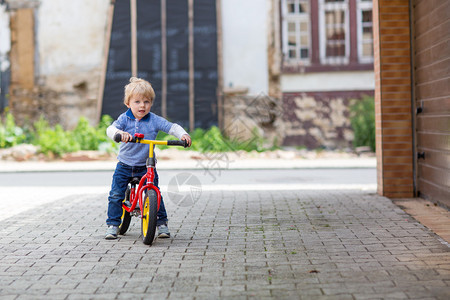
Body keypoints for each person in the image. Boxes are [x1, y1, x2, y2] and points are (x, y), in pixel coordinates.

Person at [105, 77, 191, 240]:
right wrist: (119, 134)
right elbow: (111, 128)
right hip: (125, 164)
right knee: (116, 194)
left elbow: (171, 127)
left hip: (146, 166)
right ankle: (113, 224)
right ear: (128, 103)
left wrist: (183, 135)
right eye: (137, 102)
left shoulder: (154, 120)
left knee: (155, 193)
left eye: (146, 101)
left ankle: (161, 223)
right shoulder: (125, 119)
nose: (142, 106)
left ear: (151, 103)